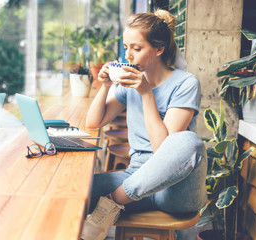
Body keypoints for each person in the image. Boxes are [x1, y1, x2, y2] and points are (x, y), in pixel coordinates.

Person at [81, 9, 207, 240]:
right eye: (126, 47)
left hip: (175, 190)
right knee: (77, 191)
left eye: (136, 48)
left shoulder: (186, 83)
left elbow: (163, 149)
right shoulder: (128, 81)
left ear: (159, 50)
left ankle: (111, 204)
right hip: (135, 175)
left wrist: (146, 93)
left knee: (189, 141)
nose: (128, 55)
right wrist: (106, 85)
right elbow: (94, 122)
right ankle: (111, 204)